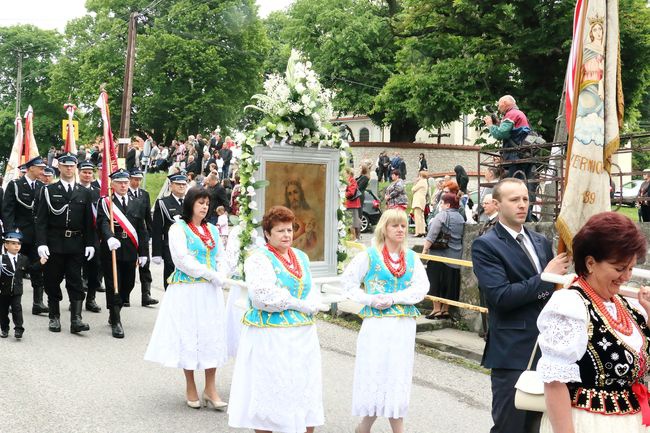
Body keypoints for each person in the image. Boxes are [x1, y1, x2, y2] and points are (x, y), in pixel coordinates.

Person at [471, 178, 570, 433]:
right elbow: (501, 297)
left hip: (548, 349)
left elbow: (550, 292)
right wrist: (545, 278)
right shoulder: (486, 245)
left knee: (540, 426)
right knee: (510, 426)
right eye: (514, 199)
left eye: (525, 199)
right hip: (512, 351)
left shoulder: (540, 241)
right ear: (497, 204)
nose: (522, 205)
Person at [537, 211, 650, 433]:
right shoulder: (570, 305)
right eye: (619, 268)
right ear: (590, 263)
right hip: (589, 424)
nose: (626, 276)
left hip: (633, 422)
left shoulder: (625, 305)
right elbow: (554, 382)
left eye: (630, 268)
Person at [228, 205, 324, 433]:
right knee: (271, 389)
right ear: (268, 234)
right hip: (271, 335)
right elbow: (263, 296)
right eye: (280, 231)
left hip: (302, 336)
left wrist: (313, 302)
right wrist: (300, 304)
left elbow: (309, 287)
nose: (286, 235)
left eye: (290, 230)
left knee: (302, 388)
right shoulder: (258, 259)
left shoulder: (301, 257)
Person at [341, 208, 428, 433]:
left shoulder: (411, 257)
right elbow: (348, 283)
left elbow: (422, 287)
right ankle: (369, 424)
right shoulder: (369, 255)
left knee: (397, 371)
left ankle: (368, 426)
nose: (400, 230)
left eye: (403, 226)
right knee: (375, 369)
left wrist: (394, 298)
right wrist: (369, 299)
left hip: (402, 325)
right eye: (395, 226)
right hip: (377, 324)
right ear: (384, 228)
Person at [145, 187, 228, 410]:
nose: (205, 206)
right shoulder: (178, 229)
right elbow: (182, 260)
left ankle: (210, 387)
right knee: (189, 334)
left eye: (207, 203)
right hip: (188, 290)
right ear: (190, 203)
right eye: (200, 202)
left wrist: (222, 273)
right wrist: (211, 274)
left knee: (212, 334)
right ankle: (190, 384)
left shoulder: (212, 229)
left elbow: (221, 255)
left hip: (211, 291)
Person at [35, 153, 96, 334]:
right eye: (65, 165)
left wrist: (90, 243)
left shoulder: (85, 192)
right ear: (59, 167)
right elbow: (41, 221)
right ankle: (54, 317)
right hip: (54, 243)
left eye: (72, 166)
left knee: (75, 281)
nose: (69, 169)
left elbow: (88, 223)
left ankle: (76, 319)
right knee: (52, 280)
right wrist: (41, 243)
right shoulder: (48, 190)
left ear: (75, 168)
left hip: (76, 243)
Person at [96, 169, 149, 338]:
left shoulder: (137, 202)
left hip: (130, 248)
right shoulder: (105, 202)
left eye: (126, 182)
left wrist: (143, 252)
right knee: (113, 284)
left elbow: (142, 229)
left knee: (128, 284)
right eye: (119, 182)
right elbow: (102, 222)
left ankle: (116, 307)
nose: (123, 185)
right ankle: (116, 318)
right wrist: (109, 237)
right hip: (112, 248)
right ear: (112, 184)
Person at [2, 156, 48, 316]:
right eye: (40, 168)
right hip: (19, 235)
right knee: (13, 269)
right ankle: (8, 300)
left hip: (37, 236)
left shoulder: (42, 187)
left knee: (38, 267)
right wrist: (10, 234)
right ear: (30, 168)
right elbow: (7, 210)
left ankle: (38, 302)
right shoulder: (15, 185)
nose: (43, 171)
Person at [421, 192, 465, 320]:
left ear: (447, 204)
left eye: (442, 202)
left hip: (439, 254)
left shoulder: (442, 215)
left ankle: (436, 310)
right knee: (449, 283)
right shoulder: (460, 217)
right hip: (456, 255)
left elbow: (432, 234)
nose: (441, 205)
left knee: (435, 282)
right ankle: (445, 310)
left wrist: (425, 249)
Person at [127, 169, 158, 307]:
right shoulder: (124, 193)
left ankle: (146, 294)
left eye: (139, 179)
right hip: (128, 233)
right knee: (127, 266)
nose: (137, 182)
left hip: (142, 233)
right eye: (135, 179)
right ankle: (125, 295)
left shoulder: (144, 194)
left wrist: (150, 234)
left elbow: (147, 217)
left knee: (145, 265)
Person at [152, 173, 187, 290]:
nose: (181, 187)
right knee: (171, 278)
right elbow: (157, 229)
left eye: (184, 184)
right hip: (170, 247)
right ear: (171, 186)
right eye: (178, 184)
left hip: (188, 247)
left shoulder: (190, 202)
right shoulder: (163, 203)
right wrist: (156, 253)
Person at [483, 95, 532, 181]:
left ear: (505, 103)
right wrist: (498, 123)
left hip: (515, 156)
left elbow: (500, 134)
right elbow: (511, 133)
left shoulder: (511, 114)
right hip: (522, 155)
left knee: (514, 184)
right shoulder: (519, 113)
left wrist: (490, 124)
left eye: (499, 105)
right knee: (522, 183)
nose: (498, 108)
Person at [77, 161, 103, 313]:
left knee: (94, 268)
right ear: (79, 173)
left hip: (94, 236)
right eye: (84, 172)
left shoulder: (99, 192)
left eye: (89, 172)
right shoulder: (74, 190)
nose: (87, 175)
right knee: (75, 269)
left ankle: (91, 299)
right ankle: (77, 298)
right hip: (77, 235)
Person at [0, 232, 29, 339]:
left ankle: (18, 329)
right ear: (6, 245)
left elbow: (31, 270)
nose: (17, 246)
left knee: (17, 308)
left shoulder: (23, 259)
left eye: (19, 244)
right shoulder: (2, 259)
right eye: (13, 243)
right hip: (3, 290)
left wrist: (40, 263)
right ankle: (4, 329)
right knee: (3, 311)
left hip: (17, 290)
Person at [284, 179, 318, 253]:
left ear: (301, 194)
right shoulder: (284, 214)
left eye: (295, 192)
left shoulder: (310, 214)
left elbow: (314, 244)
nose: (293, 197)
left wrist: (309, 234)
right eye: (290, 194)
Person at [345, 167, 362, 241]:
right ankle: (355, 237)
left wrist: (343, 193)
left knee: (352, 222)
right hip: (349, 204)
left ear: (349, 173)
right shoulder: (348, 180)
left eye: (345, 173)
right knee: (352, 221)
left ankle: (355, 238)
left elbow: (351, 192)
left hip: (352, 204)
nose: (344, 174)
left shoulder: (352, 180)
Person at [411, 171, 429, 237]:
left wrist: (415, 182)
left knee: (417, 216)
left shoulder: (421, 182)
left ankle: (418, 232)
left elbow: (413, 189)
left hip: (418, 200)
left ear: (421, 176)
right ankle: (422, 231)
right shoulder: (425, 182)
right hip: (422, 200)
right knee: (421, 216)